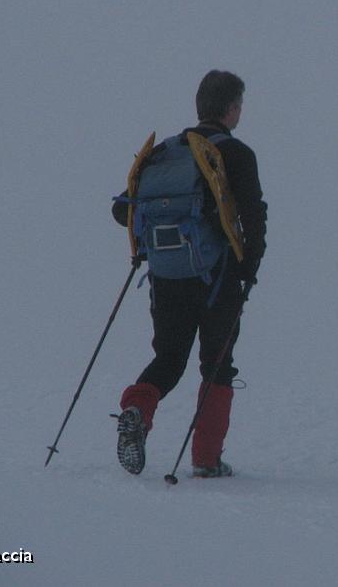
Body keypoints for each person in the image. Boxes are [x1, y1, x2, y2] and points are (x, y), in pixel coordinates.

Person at [112, 70, 266, 478]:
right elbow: (254, 215)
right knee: (217, 364)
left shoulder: (163, 152)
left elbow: (121, 210)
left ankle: (136, 409)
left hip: (165, 278)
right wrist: (249, 269)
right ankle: (206, 459)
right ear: (232, 109)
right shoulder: (235, 154)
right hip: (218, 279)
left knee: (168, 359)